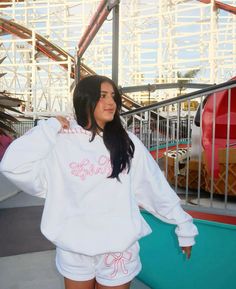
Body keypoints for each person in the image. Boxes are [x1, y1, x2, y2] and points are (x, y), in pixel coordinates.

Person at [0, 75, 198, 289]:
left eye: (113, 96)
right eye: (102, 96)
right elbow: (13, 165)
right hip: (74, 248)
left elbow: (153, 185)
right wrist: (49, 127)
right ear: (85, 99)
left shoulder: (127, 142)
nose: (111, 102)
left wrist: (184, 225)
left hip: (118, 249)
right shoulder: (60, 140)